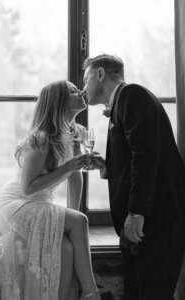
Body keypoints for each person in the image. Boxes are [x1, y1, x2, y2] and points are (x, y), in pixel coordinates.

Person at [83, 54, 185, 300]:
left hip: (156, 223)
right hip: (139, 228)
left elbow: (146, 156)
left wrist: (136, 213)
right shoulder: (122, 103)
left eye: (86, 80)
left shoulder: (133, 96)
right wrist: (106, 167)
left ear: (100, 74)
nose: (84, 88)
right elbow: (134, 159)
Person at [0, 80, 101, 300]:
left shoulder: (74, 133)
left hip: (38, 204)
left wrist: (71, 227)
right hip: (15, 203)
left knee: (68, 249)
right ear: (59, 102)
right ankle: (92, 295)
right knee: (80, 221)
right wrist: (68, 167)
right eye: (73, 91)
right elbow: (27, 187)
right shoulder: (43, 137)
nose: (80, 92)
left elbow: (74, 178)